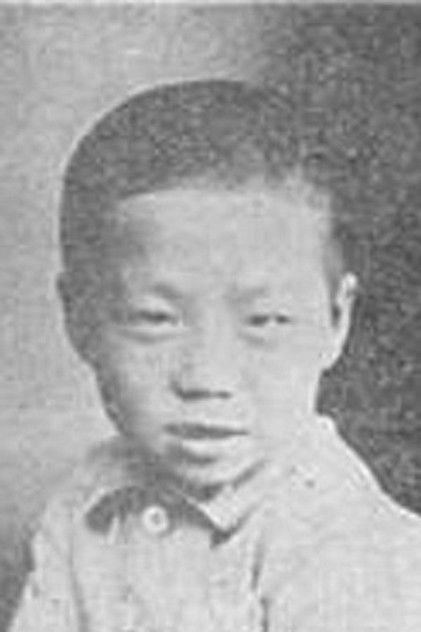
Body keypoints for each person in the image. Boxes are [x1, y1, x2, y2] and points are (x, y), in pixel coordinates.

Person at [10, 79, 421, 631]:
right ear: (78, 319)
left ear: (336, 320)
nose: (208, 378)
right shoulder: (86, 499)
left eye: (265, 321)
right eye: (155, 319)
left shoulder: (347, 542)